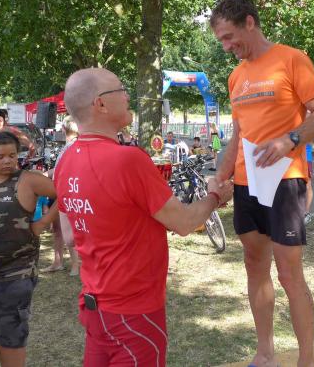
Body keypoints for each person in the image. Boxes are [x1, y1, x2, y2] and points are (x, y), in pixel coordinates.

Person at [54, 67, 233, 366]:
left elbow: (71, 236)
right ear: (100, 103)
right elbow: (185, 223)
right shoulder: (128, 159)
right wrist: (216, 196)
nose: (127, 97)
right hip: (133, 311)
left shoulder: (65, 160)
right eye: (120, 90)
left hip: (95, 307)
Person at [210, 0, 314, 367]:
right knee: (254, 263)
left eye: (229, 37)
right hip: (246, 184)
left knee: (289, 274)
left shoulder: (292, 59)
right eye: (221, 40)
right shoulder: (236, 76)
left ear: (250, 22)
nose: (226, 47)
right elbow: (238, 135)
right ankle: (265, 353)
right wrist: (220, 176)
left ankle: (306, 360)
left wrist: (289, 140)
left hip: (284, 181)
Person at [0, 131, 57, 367]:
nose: (8, 161)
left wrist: (42, 223)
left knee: (11, 336)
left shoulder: (28, 180)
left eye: (12, 155)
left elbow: (66, 194)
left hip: (15, 273)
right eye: (0, 156)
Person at [43, 115, 80, 275]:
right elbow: (59, 169)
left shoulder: (75, 146)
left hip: (67, 191)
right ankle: (58, 262)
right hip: (58, 189)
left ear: (63, 128)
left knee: (68, 228)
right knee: (58, 229)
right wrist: (45, 175)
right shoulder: (68, 146)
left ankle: (75, 264)